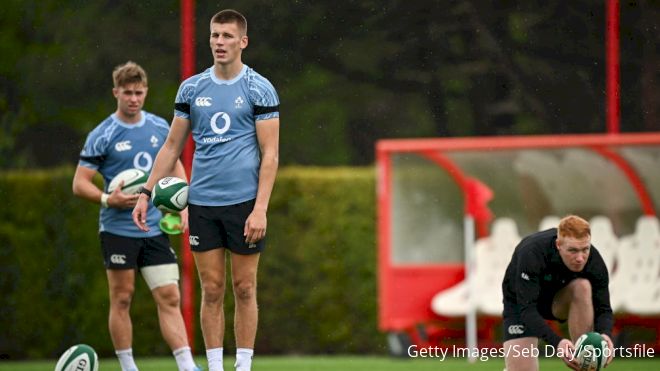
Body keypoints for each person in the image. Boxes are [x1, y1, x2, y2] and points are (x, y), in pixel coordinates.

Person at [132, 9, 279, 371]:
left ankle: (242, 365)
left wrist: (260, 208)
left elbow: (270, 154)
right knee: (211, 289)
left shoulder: (259, 87)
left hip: (244, 204)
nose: (219, 42)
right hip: (201, 204)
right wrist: (145, 193)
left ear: (243, 42)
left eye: (228, 36)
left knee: (244, 288)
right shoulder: (192, 88)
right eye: (215, 35)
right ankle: (214, 366)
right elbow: (170, 147)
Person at [72, 61, 199, 371]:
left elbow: (174, 168)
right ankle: (129, 367)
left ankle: (187, 366)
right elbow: (79, 183)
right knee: (123, 297)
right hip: (117, 231)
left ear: (146, 92)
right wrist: (107, 199)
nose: (133, 98)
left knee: (169, 295)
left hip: (154, 230)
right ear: (116, 92)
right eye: (127, 92)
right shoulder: (102, 134)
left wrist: (181, 205)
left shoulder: (159, 127)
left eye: (138, 92)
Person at [501, 215, 615, 370]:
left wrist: (605, 334)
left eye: (585, 249)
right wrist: (558, 343)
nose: (580, 258)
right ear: (558, 244)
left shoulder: (594, 262)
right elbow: (527, 310)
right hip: (520, 305)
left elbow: (604, 308)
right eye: (573, 250)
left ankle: (582, 357)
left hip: (557, 301)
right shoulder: (532, 252)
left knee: (582, 286)